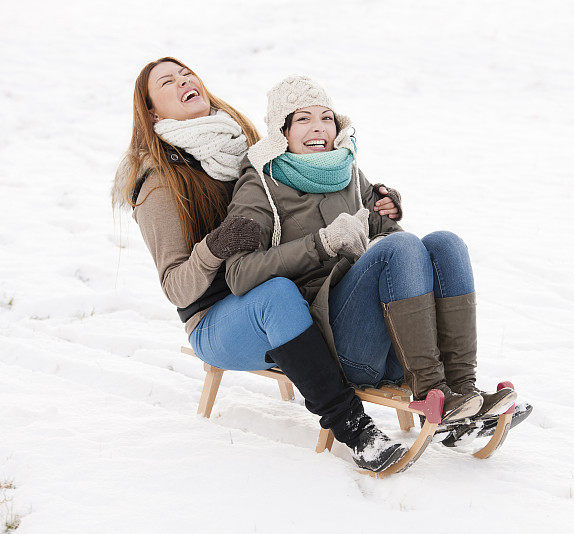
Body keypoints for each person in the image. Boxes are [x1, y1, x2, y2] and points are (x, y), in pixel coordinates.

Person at [112, 58, 407, 472]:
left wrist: (373, 202)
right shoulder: (159, 182)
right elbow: (176, 287)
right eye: (167, 82)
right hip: (217, 317)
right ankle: (353, 427)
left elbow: (310, 189)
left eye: (187, 74)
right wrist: (214, 248)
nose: (184, 82)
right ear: (152, 112)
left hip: (288, 283)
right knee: (276, 295)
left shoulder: (246, 143)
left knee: (331, 280)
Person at [225, 76, 522, 432]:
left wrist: (386, 214)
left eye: (326, 117)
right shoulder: (259, 185)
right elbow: (239, 274)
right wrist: (321, 243)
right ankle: (431, 392)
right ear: (281, 131)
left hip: (400, 345)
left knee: (446, 243)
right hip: (339, 349)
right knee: (401, 247)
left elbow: (395, 244)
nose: (318, 128)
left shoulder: (346, 171)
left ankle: (461, 388)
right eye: (303, 119)